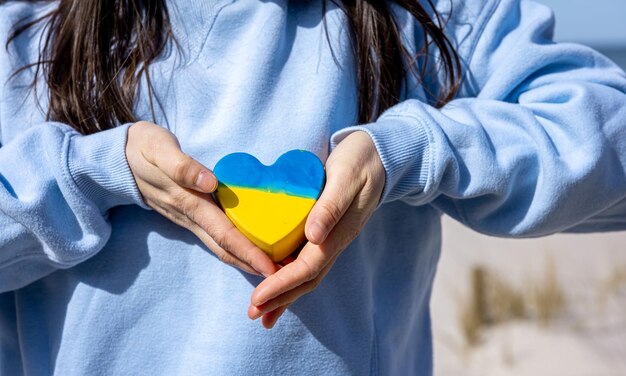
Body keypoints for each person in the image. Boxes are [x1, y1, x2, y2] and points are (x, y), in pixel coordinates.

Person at [1, 0, 625, 374]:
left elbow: (607, 132)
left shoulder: (426, 19)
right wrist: (87, 170)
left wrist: (411, 152)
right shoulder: (26, 33)